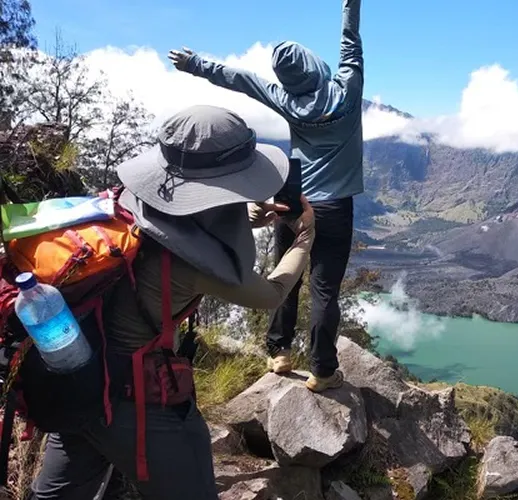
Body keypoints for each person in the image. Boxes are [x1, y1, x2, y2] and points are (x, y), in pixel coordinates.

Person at [29, 104, 315, 500]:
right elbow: (271, 294)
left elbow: (179, 218)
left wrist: (247, 216)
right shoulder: (189, 265)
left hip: (78, 377)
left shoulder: (125, 204)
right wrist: (304, 239)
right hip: (136, 398)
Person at [168, 0, 364, 393]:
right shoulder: (347, 89)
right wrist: (350, 5)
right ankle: (323, 371)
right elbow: (350, 43)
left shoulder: (285, 99)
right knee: (324, 289)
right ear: (314, 65)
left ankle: (279, 353)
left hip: (292, 200)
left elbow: (238, 78)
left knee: (285, 276)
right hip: (334, 207)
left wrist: (194, 64)